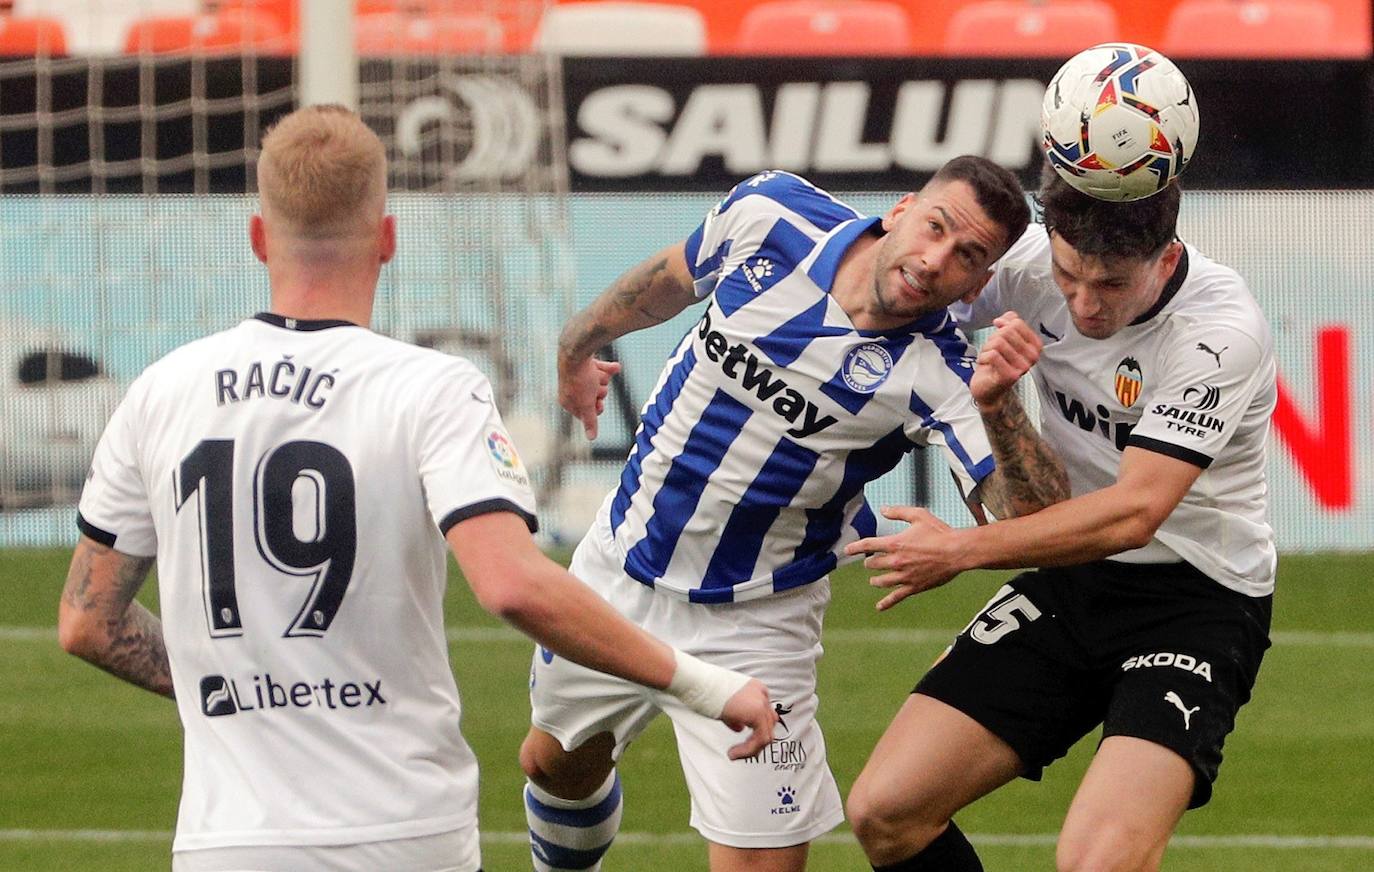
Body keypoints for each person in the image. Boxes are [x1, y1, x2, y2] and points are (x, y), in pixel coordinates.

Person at [57, 104, 778, 872]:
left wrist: (239, 692)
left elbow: (86, 623)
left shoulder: (162, 391)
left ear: (258, 237)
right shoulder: (430, 389)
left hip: (226, 843)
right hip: (401, 831)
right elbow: (511, 584)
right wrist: (704, 684)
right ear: (390, 239)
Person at [519, 160, 1070, 872]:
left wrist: (1000, 409)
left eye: (969, 257)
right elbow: (668, 279)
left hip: (757, 624)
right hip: (617, 567)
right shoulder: (773, 214)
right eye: (936, 227)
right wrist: (576, 344)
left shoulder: (946, 373)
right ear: (902, 209)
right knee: (554, 767)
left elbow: (1038, 519)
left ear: (980, 284)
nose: (936, 262)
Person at [843, 168, 1276, 872]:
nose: (1082, 304)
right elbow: (889, 292)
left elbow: (1134, 513)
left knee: (1094, 863)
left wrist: (961, 551)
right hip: (1072, 581)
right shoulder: (1025, 265)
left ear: (1165, 260)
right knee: (885, 812)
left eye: (1110, 286)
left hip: (1199, 599)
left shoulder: (1221, 334)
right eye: (1069, 277)